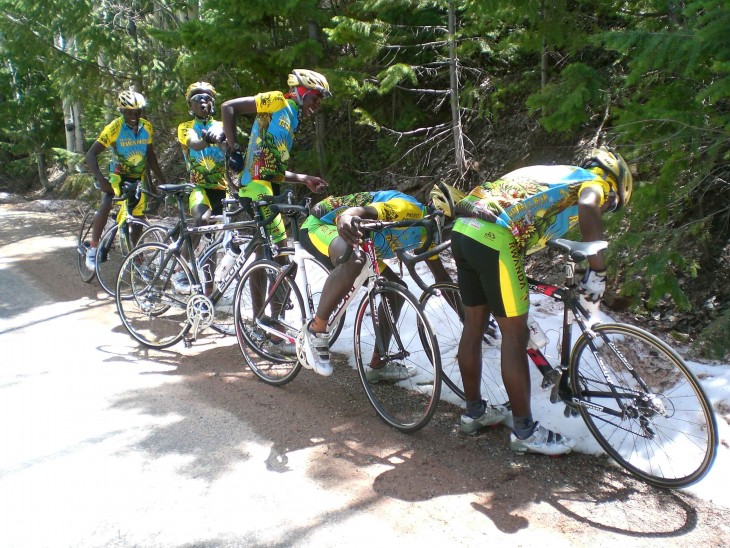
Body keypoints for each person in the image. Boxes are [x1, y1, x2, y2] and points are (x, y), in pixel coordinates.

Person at [450, 146, 633, 455]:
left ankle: (474, 413)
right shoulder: (591, 182)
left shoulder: (556, 176)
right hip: (493, 240)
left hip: (465, 230)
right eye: (612, 203)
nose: (605, 207)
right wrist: (598, 272)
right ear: (611, 182)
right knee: (514, 335)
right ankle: (525, 432)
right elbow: (589, 207)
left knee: (475, 326)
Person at [299, 184, 463, 377]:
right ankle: (315, 330)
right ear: (441, 218)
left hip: (363, 243)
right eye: (452, 229)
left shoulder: (428, 233)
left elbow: (441, 278)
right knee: (356, 260)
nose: (451, 236)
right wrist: (347, 216)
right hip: (324, 224)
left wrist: (467, 319)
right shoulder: (408, 210)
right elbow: (362, 211)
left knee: (396, 290)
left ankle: (379, 363)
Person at [220, 69, 331, 248]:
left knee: (265, 251)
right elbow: (228, 107)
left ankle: (246, 268)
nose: (318, 104)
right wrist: (235, 150)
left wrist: (304, 179)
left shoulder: (292, 120)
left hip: (269, 185)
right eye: (315, 98)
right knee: (281, 247)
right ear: (301, 92)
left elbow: (272, 169)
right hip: (255, 185)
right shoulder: (277, 101)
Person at [85, 90, 166, 270]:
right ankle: (94, 247)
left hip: (137, 178)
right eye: (129, 112)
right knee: (107, 202)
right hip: (117, 176)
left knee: (138, 218)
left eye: (137, 112)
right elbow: (91, 154)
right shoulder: (114, 128)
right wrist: (101, 180)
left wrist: (162, 179)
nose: (134, 116)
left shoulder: (147, 127)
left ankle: (137, 255)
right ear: (122, 111)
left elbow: (150, 155)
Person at [172, 81, 232, 293]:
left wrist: (226, 143)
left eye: (208, 98)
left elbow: (228, 148)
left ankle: (208, 293)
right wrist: (209, 138)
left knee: (211, 243)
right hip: (198, 187)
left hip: (221, 189)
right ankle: (180, 270)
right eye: (198, 99)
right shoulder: (185, 127)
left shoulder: (221, 125)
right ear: (191, 105)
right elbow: (194, 143)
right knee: (201, 220)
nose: (204, 102)